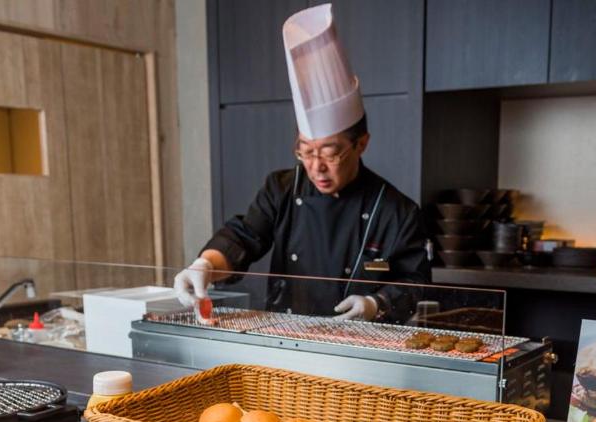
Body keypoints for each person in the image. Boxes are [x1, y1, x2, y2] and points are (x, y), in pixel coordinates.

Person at [174, 3, 430, 321]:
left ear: (361, 144)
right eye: (306, 151)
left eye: (329, 152)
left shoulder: (396, 211)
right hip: (287, 337)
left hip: (361, 348)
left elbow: (414, 281)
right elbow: (243, 236)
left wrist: (375, 304)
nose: (316, 167)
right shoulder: (281, 187)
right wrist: (206, 266)